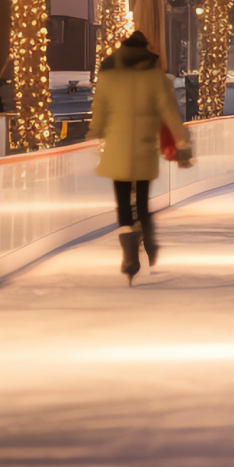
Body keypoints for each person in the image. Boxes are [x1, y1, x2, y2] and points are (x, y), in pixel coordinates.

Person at [90, 30, 190, 284]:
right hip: (144, 149)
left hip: (117, 149)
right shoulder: (157, 79)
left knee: (123, 203)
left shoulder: (109, 77)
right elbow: (170, 114)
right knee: (143, 202)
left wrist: (95, 133)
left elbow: (99, 111)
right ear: (147, 51)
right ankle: (149, 243)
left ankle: (129, 255)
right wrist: (182, 144)